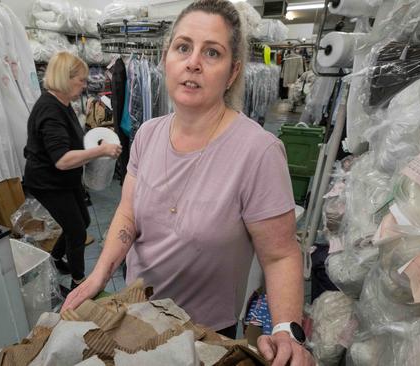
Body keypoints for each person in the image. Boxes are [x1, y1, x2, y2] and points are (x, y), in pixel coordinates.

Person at [62, 1, 314, 365]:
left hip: (205, 334)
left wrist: (286, 329)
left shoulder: (258, 152)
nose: (193, 62)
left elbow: (280, 255)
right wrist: (98, 276)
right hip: (136, 315)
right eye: (184, 47)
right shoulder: (148, 135)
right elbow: (128, 212)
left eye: (212, 53)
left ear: (232, 73)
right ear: (166, 59)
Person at [23, 52, 122, 295]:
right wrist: (100, 150)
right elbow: (62, 160)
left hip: (64, 179)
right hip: (48, 181)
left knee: (82, 221)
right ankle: (78, 283)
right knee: (77, 230)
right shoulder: (50, 110)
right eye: (81, 80)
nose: (85, 85)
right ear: (65, 79)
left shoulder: (62, 102)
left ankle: (55, 258)